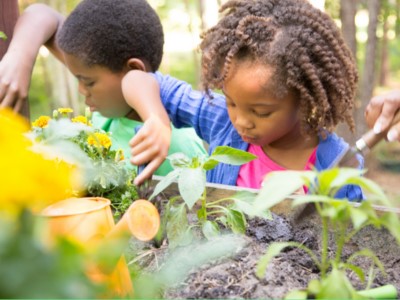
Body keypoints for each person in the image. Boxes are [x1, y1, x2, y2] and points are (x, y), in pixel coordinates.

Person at [123, 0, 364, 200]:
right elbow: (137, 79)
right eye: (230, 102)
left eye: (261, 112)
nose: (241, 122)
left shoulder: (338, 166)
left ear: (305, 101)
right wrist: (156, 118)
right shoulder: (221, 121)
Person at [0, 0, 207, 181]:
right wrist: (19, 59)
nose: (82, 91)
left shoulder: (180, 147)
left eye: (88, 83)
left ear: (134, 70)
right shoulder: (111, 105)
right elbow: (42, 15)